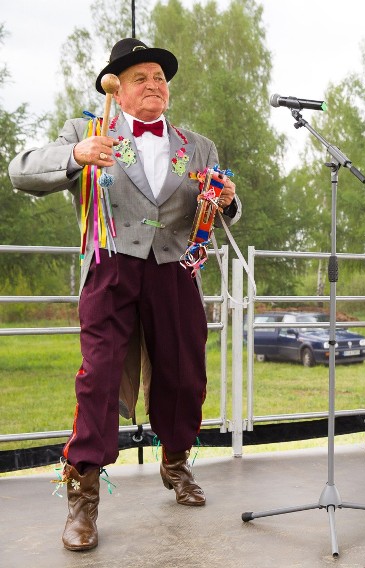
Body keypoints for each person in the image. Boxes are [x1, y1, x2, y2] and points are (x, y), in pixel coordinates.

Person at [8, 38, 240, 551]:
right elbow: (21, 171)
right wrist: (74, 155)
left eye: (160, 77)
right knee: (100, 377)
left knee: (184, 372)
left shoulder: (196, 145)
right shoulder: (88, 131)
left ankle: (176, 462)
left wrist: (228, 199)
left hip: (175, 269)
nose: (154, 85)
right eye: (141, 78)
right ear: (118, 87)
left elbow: (220, 200)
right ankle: (83, 495)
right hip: (110, 265)